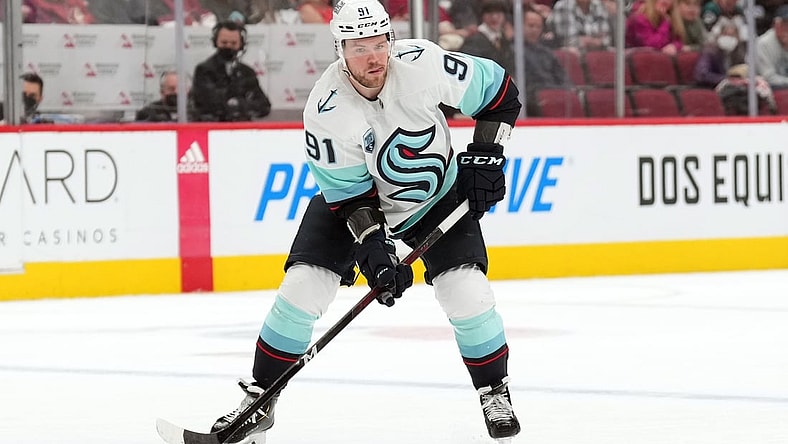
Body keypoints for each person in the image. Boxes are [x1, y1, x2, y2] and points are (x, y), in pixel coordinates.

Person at [208, 0, 522, 443]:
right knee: (303, 287)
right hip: (359, 201)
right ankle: (260, 398)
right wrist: (374, 246)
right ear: (339, 49)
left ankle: (494, 389)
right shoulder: (326, 109)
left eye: (379, 43)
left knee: (467, 294)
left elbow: (502, 95)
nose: (373, 57)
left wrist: (488, 155)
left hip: (436, 196)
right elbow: (350, 195)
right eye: (359, 47)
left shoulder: (424, 63)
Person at [190, 21, 272, 121]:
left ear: (241, 45)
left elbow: (263, 106)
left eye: (233, 43)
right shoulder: (203, 70)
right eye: (224, 43)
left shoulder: (246, 72)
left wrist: (237, 104)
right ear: (215, 42)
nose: (228, 46)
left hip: (241, 131)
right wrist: (241, 102)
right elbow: (210, 104)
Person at [459, 0, 514, 73]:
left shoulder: (503, 39)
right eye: (490, 13)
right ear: (482, 16)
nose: (494, 17)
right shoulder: (474, 40)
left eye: (498, 13)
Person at [547, 0, 613, 53]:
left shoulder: (598, 4)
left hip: (597, 50)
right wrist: (594, 41)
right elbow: (567, 40)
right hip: (570, 54)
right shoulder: (563, 5)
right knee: (572, 52)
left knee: (619, 54)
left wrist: (590, 41)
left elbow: (606, 38)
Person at [755, 4, 788, 89]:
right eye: (784, 24)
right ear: (776, 25)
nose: (786, 29)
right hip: (764, 92)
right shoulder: (763, 43)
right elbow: (769, 79)